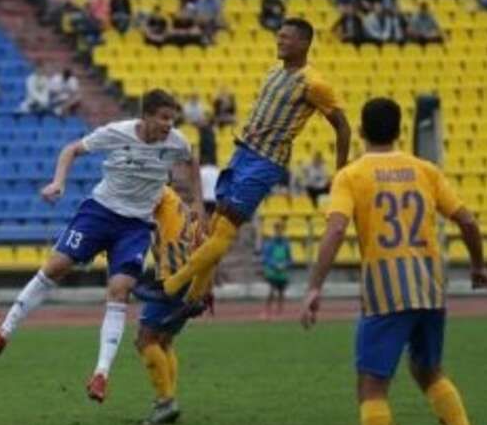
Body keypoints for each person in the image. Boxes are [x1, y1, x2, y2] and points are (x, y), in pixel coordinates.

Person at [299, 97, 487, 425]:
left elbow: (335, 230)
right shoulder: (425, 170)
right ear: (399, 130)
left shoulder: (352, 175)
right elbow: (468, 221)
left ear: (361, 131)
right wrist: (477, 266)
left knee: (371, 386)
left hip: (385, 293)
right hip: (430, 287)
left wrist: (314, 286)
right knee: (429, 371)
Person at [0, 89, 203, 404]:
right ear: (146, 115)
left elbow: (192, 161)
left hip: (135, 226)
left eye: (171, 119)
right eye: (163, 118)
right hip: (100, 212)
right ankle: (2, 333)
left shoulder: (176, 142)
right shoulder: (117, 133)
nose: (168, 125)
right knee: (55, 267)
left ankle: (100, 375)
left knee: (119, 290)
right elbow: (71, 149)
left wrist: (197, 203)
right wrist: (58, 182)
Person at [134, 18, 351, 306]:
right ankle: (196, 296)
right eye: (279, 35)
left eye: (286, 37)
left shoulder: (314, 83)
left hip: (265, 161)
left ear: (303, 43)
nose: (279, 40)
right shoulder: (275, 71)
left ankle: (171, 287)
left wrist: (340, 172)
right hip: (242, 153)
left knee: (225, 230)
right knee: (214, 228)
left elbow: (342, 126)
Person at [136, 183, 210, 425]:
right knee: (164, 340)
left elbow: (134, 212)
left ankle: (165, 401)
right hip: (187, 276)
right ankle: (168, 399)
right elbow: (205, 248)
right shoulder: (183, 208)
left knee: (146, 339)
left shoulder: (159, 192)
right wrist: (204, 289)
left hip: (173, 276)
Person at [260, 220, 291, 320]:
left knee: (281, 293)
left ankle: (279, 312)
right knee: (271, 292)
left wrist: (285, 264)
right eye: (277, 229)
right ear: (275, 230)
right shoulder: (270, 243)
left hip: (283, 272)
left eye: (281, 229)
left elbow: (290, 259)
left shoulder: (286, 244)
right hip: (272, 271)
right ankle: (266, 311)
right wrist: (275, 265)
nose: (279, 232)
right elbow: (265, 258)